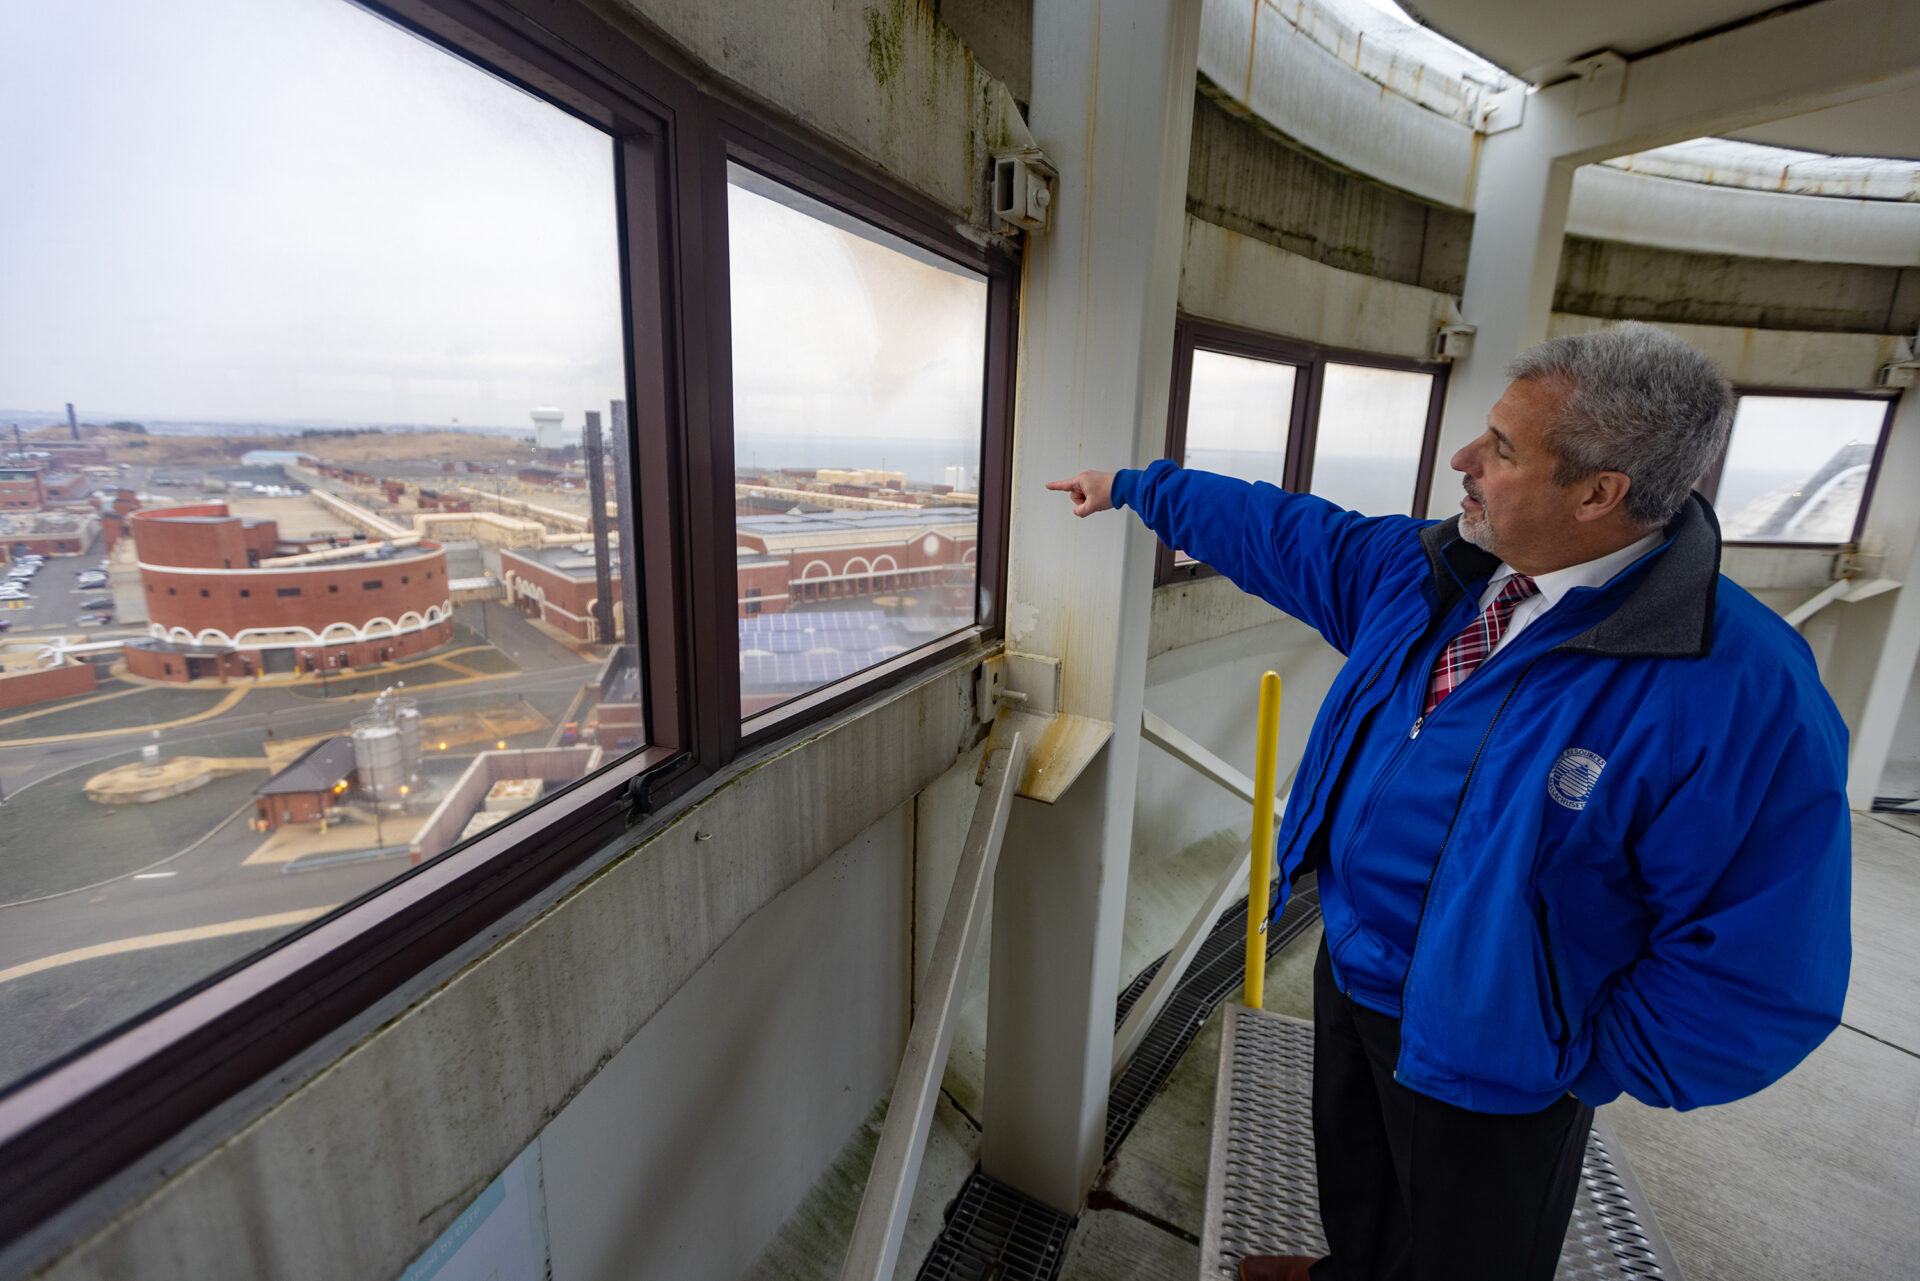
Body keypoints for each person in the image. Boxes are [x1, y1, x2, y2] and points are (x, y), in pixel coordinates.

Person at [1047, 322, 1851, 1281]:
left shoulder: (1737, 688)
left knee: (1469, 1254)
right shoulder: (1438, 575)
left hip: (1503, 1048)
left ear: (1599, 494)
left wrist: (1567, 1052)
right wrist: (1142, 489)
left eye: (1504, 450)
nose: (1463, 461)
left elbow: (1762, 967)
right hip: (1354, 967)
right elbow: (1290, 533)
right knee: (1361, 1184)